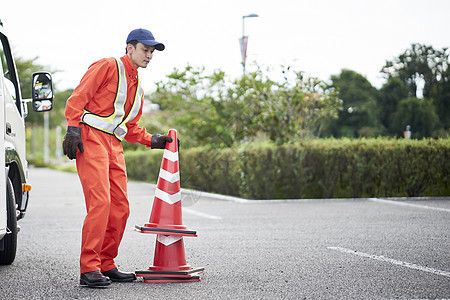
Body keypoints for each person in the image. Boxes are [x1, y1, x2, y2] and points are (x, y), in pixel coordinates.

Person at [63, 28, 173, 288]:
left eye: (152, 52)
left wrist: (152, 139)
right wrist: (72, 128)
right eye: (145, 50)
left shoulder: (139, 88)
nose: (149, 55)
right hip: (90, 138)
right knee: (100, 203)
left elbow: (130, 128)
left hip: (113, 144)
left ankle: (106, 263)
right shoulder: (107, 66)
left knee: (121, 207)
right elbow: (78, 97)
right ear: (130, 48)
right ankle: (89, 268)